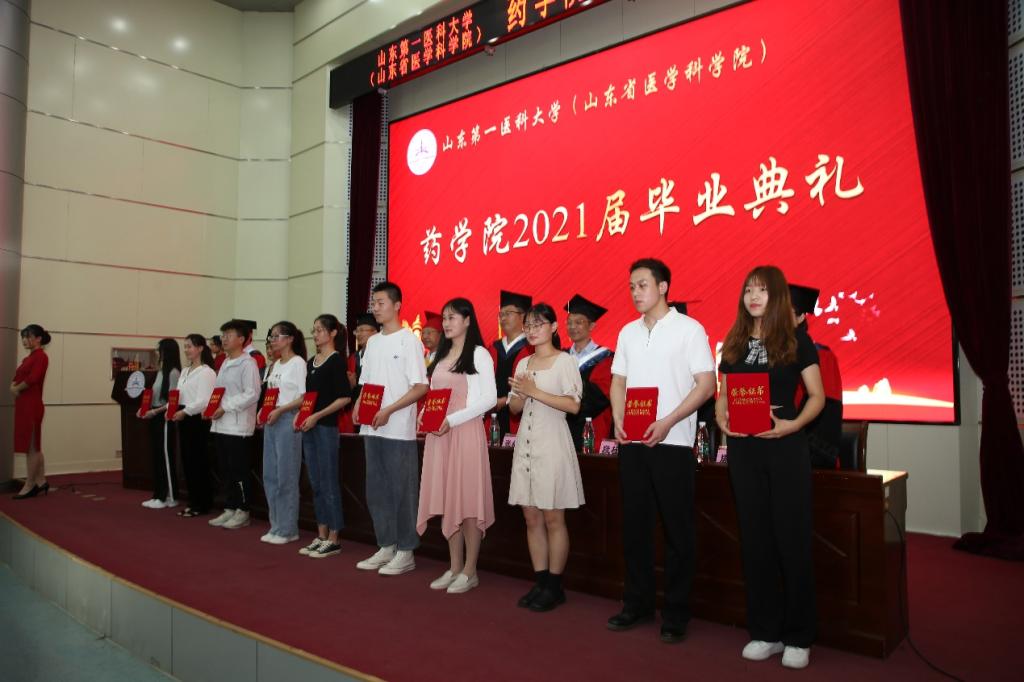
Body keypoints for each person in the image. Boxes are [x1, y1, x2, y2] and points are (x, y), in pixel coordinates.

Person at [716, 266, 824, 670]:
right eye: (748, 290)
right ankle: (765, 631)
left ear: (776, 295)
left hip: (784, 449)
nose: (753, 296)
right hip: (744, 451)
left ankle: (799, 635)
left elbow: (816, 396)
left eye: (761, 290)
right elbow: (724, 393)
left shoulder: (796, 340)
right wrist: (722, 415)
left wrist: (792, 426)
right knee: (755, 540)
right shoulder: (735, 340)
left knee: (791, 540)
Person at [607, 258, 716, 644]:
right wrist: (618, 417)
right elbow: (617, 381)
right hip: (634, 443)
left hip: (673, 442)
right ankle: (636, 603)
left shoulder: (689, 330)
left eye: (642, 285)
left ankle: (676, 612)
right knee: (635, 528)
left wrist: (669, 420)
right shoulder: (627, 332)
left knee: (677, 531)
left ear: (663, 286)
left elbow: (707, 385)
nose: (635, 293)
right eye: (631, 287)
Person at [416, 298, 497, 594]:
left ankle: (470, 571)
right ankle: (453, 566)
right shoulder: (441, 354)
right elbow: (436, 393)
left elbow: (488, 399)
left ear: (467, 320)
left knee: (468, 502)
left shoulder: (478, 354)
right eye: (444, 318)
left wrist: (452, 419)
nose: (446, 323)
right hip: (440, 435)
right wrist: (426, 413)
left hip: (465, 432)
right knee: (447, 499)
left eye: (452, 318)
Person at [508, 303, 585, 612]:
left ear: (553, 327)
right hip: (525, 445)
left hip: (552, 443)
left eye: (538, 324)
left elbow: (573, 405)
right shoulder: (523, 363)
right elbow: (514, 408)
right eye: (528, 325)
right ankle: (540, 581)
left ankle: (555, 585)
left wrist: (534, 390)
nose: (531, 330)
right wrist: (520, 394)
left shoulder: (565, 362)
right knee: (531, 516)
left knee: (553, 517)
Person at [353, 281, 429, 575]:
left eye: (381, 302)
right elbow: (366, 383)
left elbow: (420, 386)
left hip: (397, 429)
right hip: (371, 428)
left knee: (402, 491)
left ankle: (406, 550)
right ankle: (386, 545)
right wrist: (359, 403)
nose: (376, 308)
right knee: (377, 490)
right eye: (373, 303)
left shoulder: (409, 341)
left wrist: (389, 410)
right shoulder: (372, 342)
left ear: (397, 305)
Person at [297, 314, 352, 558]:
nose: (316, 334)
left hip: (326, 428)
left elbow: (344, 397)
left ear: (333, 333)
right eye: (314, 330)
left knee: (329, 482)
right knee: (316, 482)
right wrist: (302, 415)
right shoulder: (311, 362)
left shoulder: (336, 361)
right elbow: (308, 397)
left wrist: (317, 415)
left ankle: (334, 537)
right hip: (309, 427)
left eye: (320, 330)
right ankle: (321, 534)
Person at [206, 319, 261, 530]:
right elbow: (219, 392)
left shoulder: (248, 363)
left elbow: (252, 393)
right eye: (223, 335)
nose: (224, 339)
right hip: (221, 424)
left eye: (228, 335)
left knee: (239, 470)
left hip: (238, 427)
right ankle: (230, 507)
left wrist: (226, 407)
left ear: (241, 339)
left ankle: (243, 510)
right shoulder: (225, 362)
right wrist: (211, 408)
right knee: (226, 469)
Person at [260, 321, 308, 546]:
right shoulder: (276, 364)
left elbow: (303, 397)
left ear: (289, 339)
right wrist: (264, 409)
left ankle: (288, 529)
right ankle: (276, 525)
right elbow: (271, 394)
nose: (272, 340)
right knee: (270, 475)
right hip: (271, 419)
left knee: (286, 476)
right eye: (271, 337)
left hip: (288, 419)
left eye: (276, 336)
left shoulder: (298, 363)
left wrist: (281, 410)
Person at [789, 284, 844, 469]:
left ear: (800, 317)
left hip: (808, 457)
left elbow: (826, 420)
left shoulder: (821, 356)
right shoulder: (761, 354)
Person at [171, 334, 217, 517]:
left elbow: (204, 401)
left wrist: (185, 412)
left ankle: (202, 503)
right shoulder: (184, 371)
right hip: (183, 417)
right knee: (187, 462)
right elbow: (177, 396)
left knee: (198, 461)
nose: (186, 350)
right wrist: (167, 409)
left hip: (197, 420)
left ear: (200, 348)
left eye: (189, 346)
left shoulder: (206, 372)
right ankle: (193, 501)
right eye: (185, 346)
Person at [563, 294, 614, 450]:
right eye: (569, 322)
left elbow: (598, 398)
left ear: (592, 326)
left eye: (579, 322)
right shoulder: (560, 356)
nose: (572, 327)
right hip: (561, 432)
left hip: (592, 430)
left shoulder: (606, 358)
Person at [139, 338, 181, 509]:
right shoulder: (161, 371)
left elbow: (173, 402)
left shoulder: (173, 373)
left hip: (165, 418)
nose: (157, 353)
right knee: (157, 457)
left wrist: (155, 412)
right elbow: (154, 396)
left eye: (159, 350)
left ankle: (169, 496)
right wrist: (144, 409)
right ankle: (158, 494)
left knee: (165, 457)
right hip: (155, 417)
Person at [11, 324, 51, 499]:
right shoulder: (30, 357)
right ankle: (41, 481)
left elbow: (33, 378)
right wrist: (13, 386)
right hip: (24, 404)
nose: (25, 340)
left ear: (38, 339)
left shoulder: (41, 356)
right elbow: (19, 376)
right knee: (34, 446)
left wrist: (16, 388)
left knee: (32, 447)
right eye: (23, 337)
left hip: (32, 405)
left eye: (28, 337)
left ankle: (30, 484)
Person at [489, 290, 533, 438]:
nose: (503, 318)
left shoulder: (532, 348)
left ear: (523, 316)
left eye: (508, 313)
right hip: (492, 417)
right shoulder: (493, 348)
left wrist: (505, 400)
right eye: (501, 314)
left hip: (521, 418)